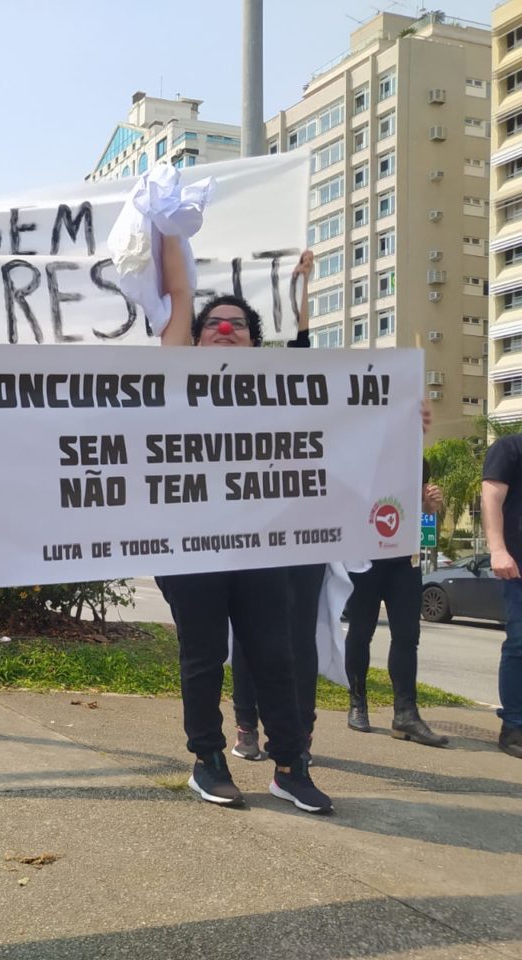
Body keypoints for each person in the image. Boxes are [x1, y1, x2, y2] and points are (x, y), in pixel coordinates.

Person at [156, 237, 332, 814]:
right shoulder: (171, 382)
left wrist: (406, 409)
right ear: (196, 338)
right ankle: (208, 760)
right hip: (190, 546)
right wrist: (166, 237)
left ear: (256, 342)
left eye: (238, 324)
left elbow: (322, 382)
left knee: (273, 654)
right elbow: (178, 298)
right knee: (203, 656)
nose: (225, 330)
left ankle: (289, 766)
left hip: (260, 545)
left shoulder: (276, 392)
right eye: (214, 324)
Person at [230, 251, 327, 765]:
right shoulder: (209, 388)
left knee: (298, 635)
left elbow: (304, 348)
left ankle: (298, 732)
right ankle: (247, 724)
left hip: (304, 527)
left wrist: (300, 288)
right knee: (249, 630)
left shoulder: (293, 382)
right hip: (246, 529)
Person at [342, 468, 448, 747]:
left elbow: (427, 530)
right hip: (365, 561)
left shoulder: (413, 454)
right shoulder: (366, 451)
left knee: (407, 637)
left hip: (403, 563)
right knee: (361, 632)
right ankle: (357, 702)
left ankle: (405, 714)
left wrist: (429, 508)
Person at [479, 436, 522, 758]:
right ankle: (514, 726)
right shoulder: (510, 448)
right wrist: (497, 550)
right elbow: (491, 498)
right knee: (520, 643)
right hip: (517, 564)